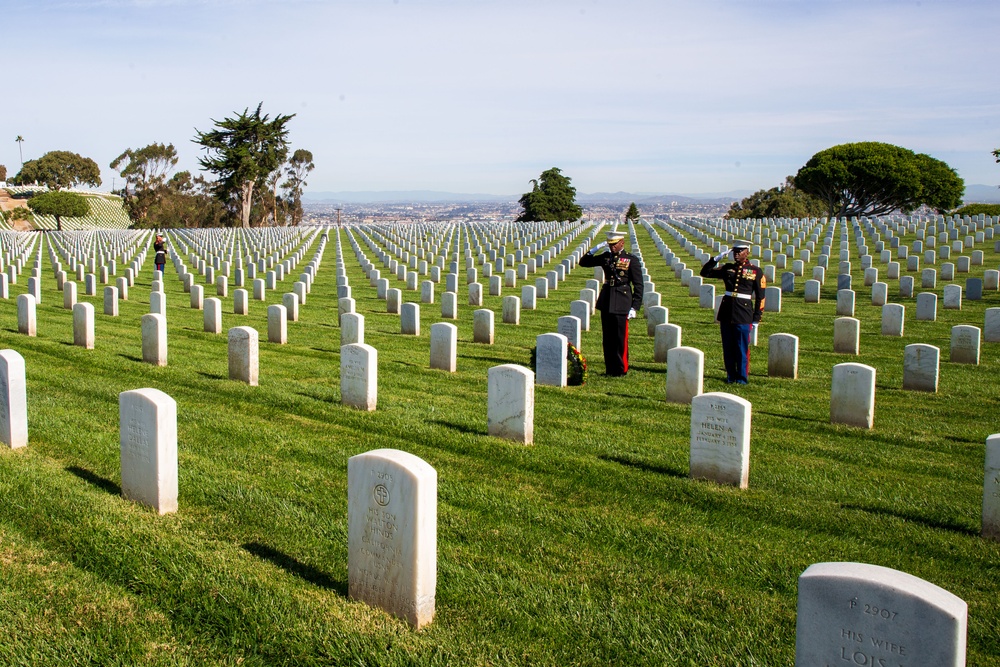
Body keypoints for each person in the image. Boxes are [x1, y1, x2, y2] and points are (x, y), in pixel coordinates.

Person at [699, 240, 766, 384]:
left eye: (740, 251)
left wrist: (757, 318)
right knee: (728, 347)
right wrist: (716, 258)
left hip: (743, 313)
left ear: (747, 252)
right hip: (727, 311)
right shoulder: (728, 268)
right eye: (734, 251)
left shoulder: (755, 271)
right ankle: (731, 376)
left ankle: (742, 378)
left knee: (741, 348)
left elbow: (761, 296)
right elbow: (705, 272)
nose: (736, 254)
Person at [579, 229, 644, 376]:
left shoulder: (631, 260)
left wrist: (635, 306)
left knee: (620, 338)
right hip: (607, 300)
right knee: (608, 339)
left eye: (614, 244)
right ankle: (610, 369)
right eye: (610, 244)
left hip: (622, 301)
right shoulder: (606, 257)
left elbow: (638, 285)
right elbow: (583, 263)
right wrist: (594, 249)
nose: (612, 247)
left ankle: (621, 369)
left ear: (622, 243)